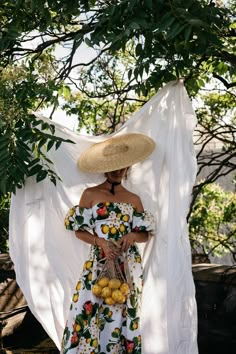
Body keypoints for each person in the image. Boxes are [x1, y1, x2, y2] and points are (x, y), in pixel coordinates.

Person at [61, 133, 156, 354]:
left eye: (122, 166)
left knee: (122, 312)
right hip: (98, 261)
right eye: (113, 166)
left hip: (127, 265)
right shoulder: (91, 194)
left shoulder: (134, 199)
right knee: (87, 308)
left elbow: (145, 235)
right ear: (105, 167)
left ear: (128, 168)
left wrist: (132, 237)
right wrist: (100, 242)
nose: (117, 170)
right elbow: (78, 231)